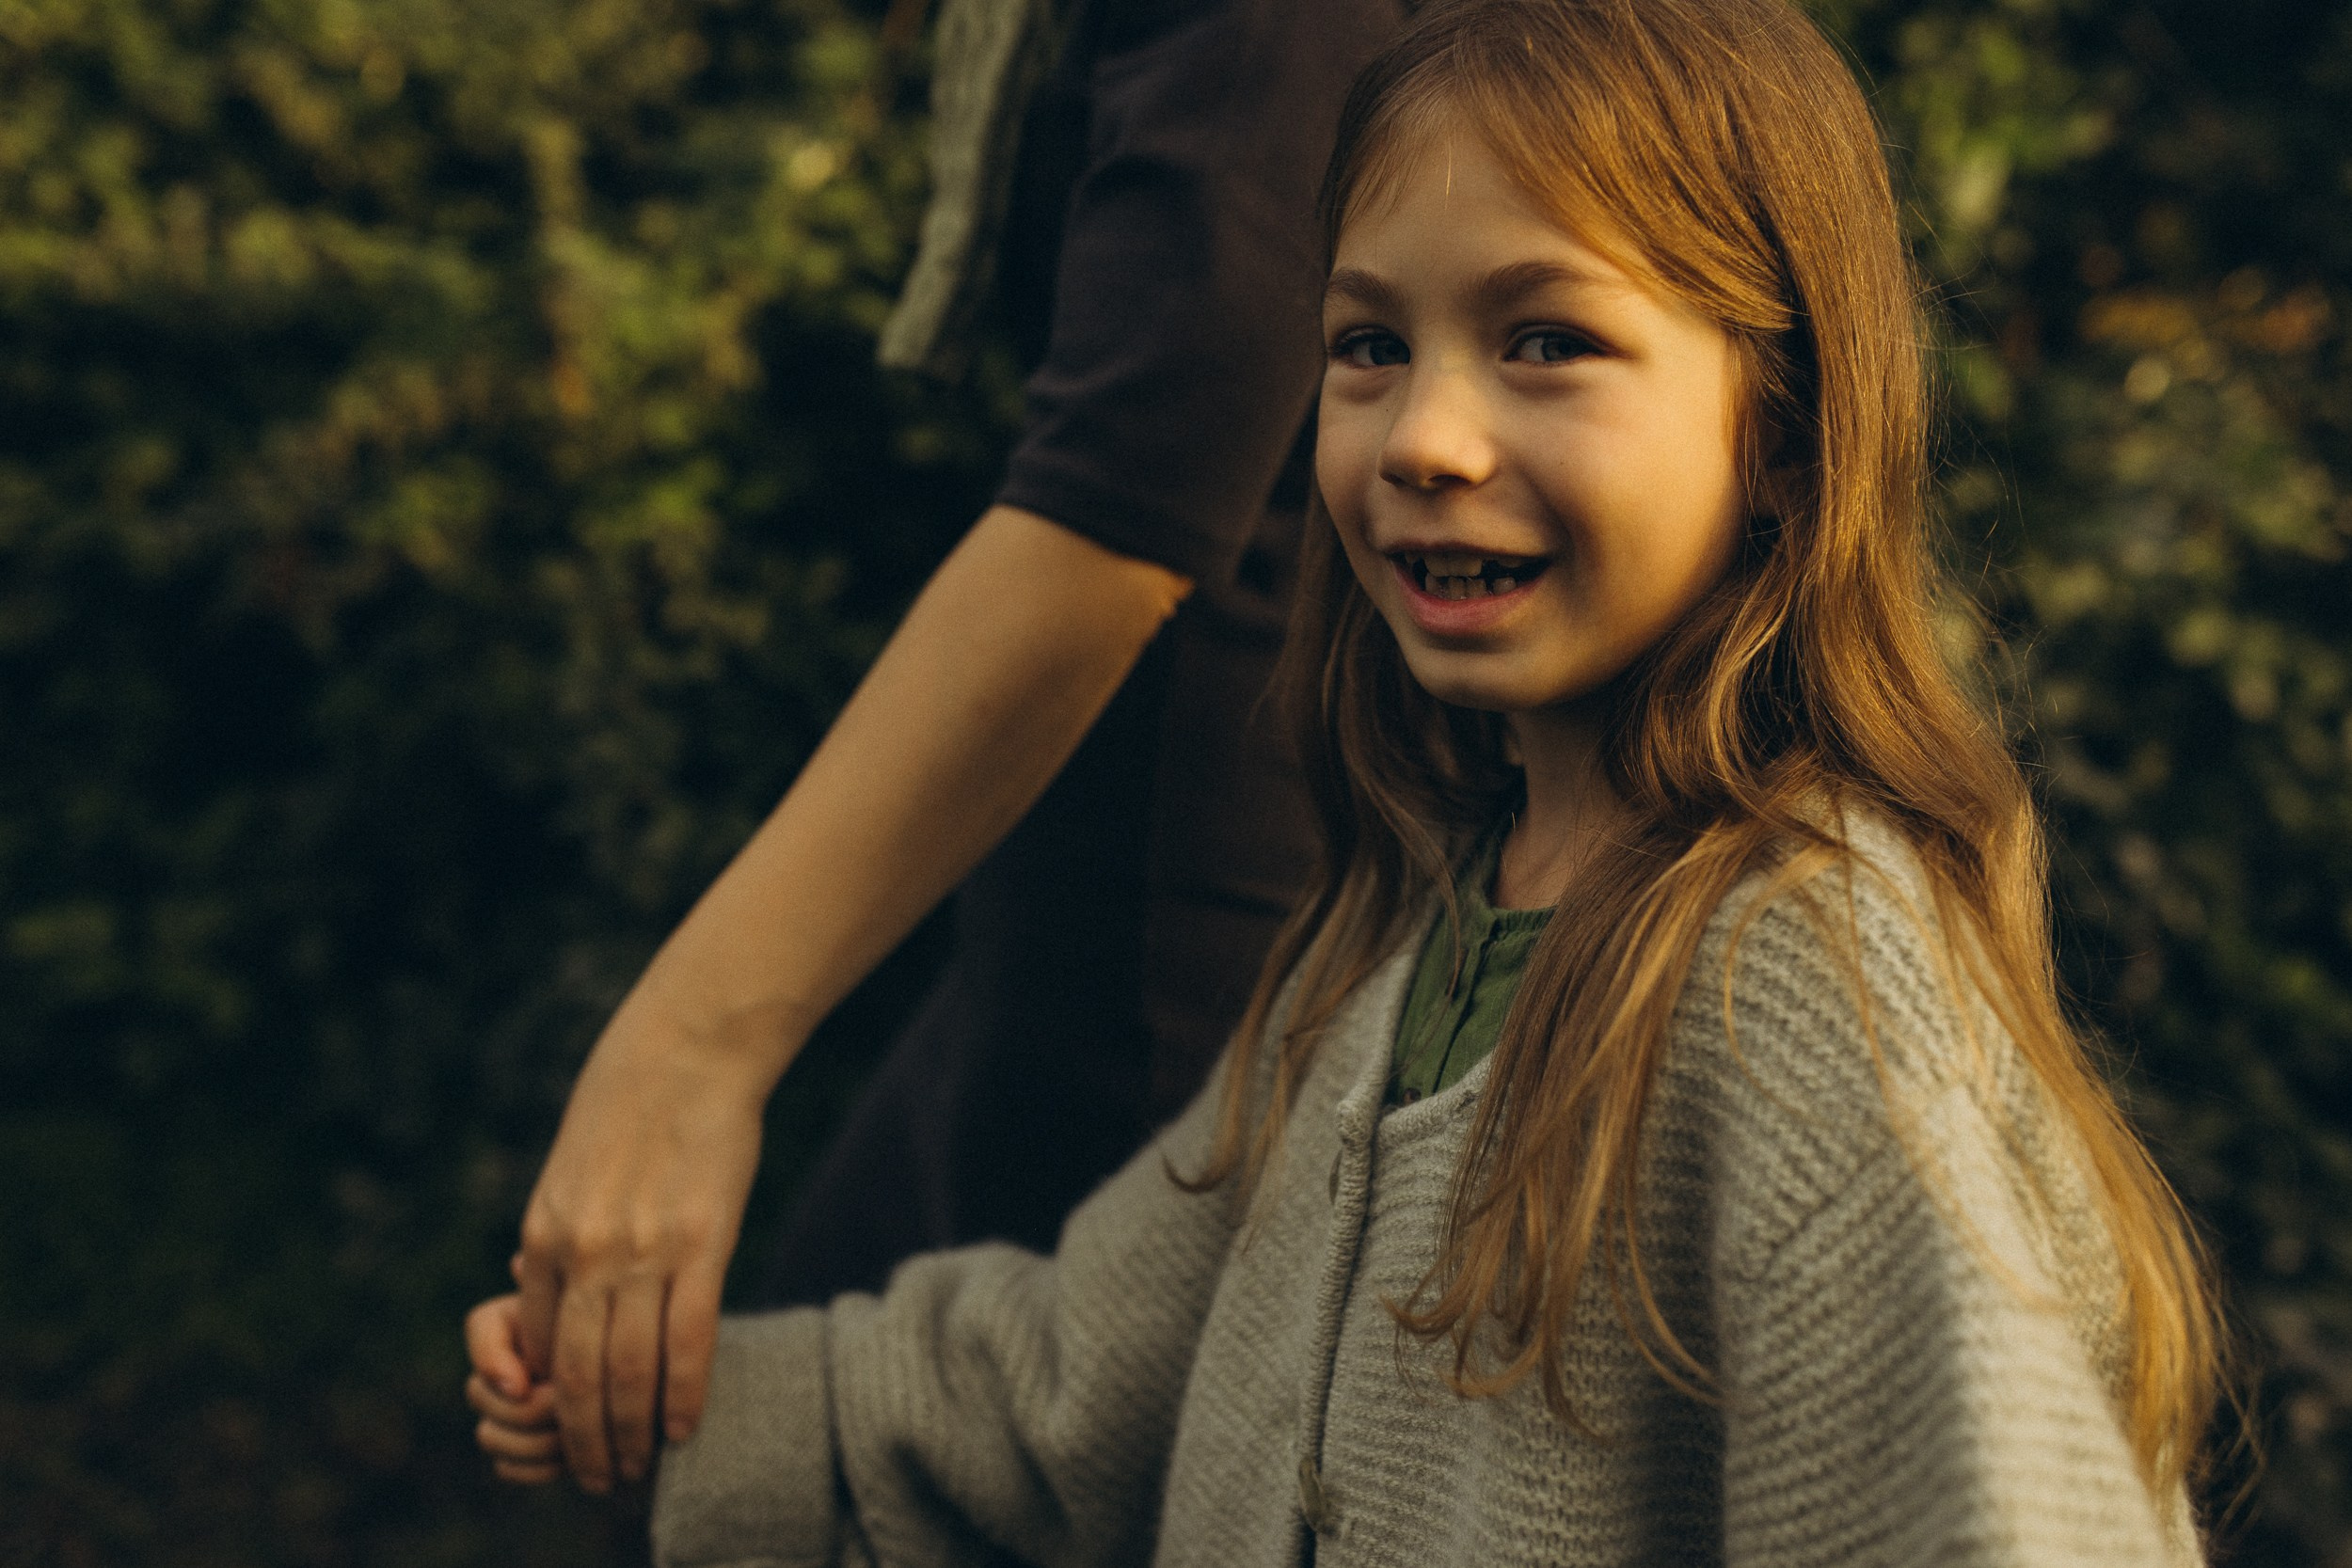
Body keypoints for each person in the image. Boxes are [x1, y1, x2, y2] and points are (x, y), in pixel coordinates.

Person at [471, 0, 2229, 1560]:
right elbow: (1084, 1385)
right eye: (1368, 346)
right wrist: (678, 1409)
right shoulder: (1384, 943)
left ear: (1779, 433)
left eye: (1546, 341)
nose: (1425, 439)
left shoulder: (1808, 992)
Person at [476, 0, 1405, 1499]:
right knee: (728, 1458)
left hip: (1190, 968)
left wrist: (685, 1055)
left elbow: (1115, 522)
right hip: (1082, 900)